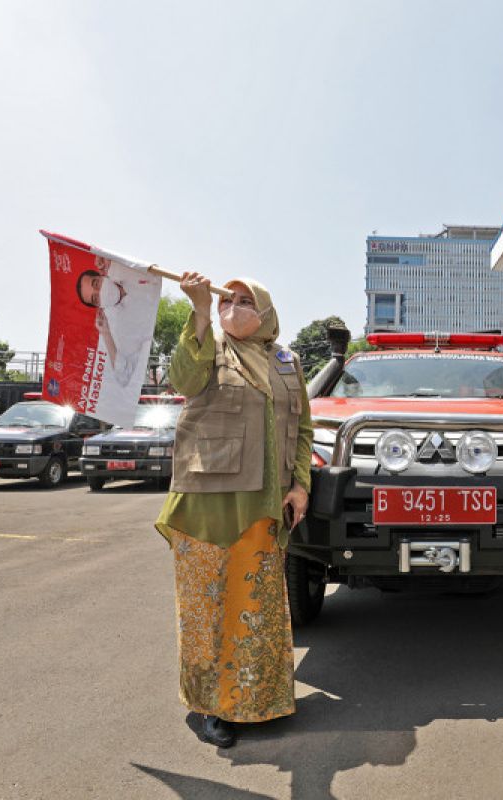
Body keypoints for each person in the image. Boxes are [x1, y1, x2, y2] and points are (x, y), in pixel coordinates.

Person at [154, 272, 313, 749]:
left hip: (265, 507)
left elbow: (302, 426)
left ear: (264, 314)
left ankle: (259, 701)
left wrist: (300, 485)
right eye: (228, 299)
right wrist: (200, 311)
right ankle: (212, 708)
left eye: (245, 301)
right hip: (209, 505)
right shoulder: (209, 347)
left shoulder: (288, 361)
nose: (233, 306)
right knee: (208, 609)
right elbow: (183, 378)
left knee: (258, 610)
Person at [76, 257, 160, 388]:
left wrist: (106, 258)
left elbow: (154, 270)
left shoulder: (120, 268)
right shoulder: (118, 329)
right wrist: (106, 334)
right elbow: (123, 377)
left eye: (96, 284)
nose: (101, 292)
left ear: (101, 276)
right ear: (98, 306)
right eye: (95, 298)